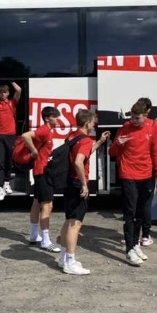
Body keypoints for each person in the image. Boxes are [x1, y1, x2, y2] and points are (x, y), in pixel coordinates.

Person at [56, 109, 110, 275]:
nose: (94, 125)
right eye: (93, 123)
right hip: (77, 183)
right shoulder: (85, 139)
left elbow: (83, 154)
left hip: (68, 182)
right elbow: (79, 162)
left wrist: (99, 142)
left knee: (68, 220)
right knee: (76, 224)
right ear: (87, 123)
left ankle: (63, 257)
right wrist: (84, 184)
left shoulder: (73, 135)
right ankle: (70, 262)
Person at [108, 101, 157, 266]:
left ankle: (135, 243)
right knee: (130, 213)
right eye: (132, 117)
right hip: (129, 175)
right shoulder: (125, 128)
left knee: (141, 212)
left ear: (145, 116)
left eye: (137, 118)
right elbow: (111, 152)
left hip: (146, 175)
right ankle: (129, 249)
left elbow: (155, 152)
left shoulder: (151, 128)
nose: (133, 120)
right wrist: (117, 144)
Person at [22, 105, 62, 252]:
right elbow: (25, 136)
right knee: (47, 205)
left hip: (39, 171)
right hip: (43, 171)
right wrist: (34, 151)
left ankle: (34, 235)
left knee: (37, 202)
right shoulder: (44, 130)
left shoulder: (47, 131)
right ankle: (45, 241)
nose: (57, 120)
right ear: (47, 118)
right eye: (55, 117)